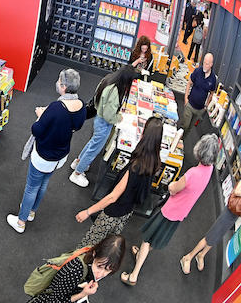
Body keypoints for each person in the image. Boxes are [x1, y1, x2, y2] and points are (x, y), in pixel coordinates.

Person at [121, 134, 220, 286]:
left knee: (148, 238)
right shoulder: (209, 170)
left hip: (170, 210)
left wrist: (171, 185)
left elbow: (173, 189)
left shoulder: (193, 173)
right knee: (156, 239)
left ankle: (134, 275)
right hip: (181, 213)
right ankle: (141, 254)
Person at [7, 69, 86, 233]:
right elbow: (76, 126)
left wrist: (40, 115)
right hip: (61, 154)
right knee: (43, 183)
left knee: (31, 187)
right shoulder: (81, 105)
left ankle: (21, 221)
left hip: (44, 154)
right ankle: (31, 212)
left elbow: (37, 130)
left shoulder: (56, 108)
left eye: (59, 81)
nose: (57, 83)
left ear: (63, 86)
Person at [75, 117, 163, 248]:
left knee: (88, 245)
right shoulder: (155, 160)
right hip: (126, 211)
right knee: (107, 245)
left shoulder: (136, 166)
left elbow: (113, 197)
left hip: (112, 212)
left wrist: (88, 212)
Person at [69, 66, 135, 188]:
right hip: (104, 123)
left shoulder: (109, 79)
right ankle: (77, 173)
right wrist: (119, 118)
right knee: (94, 149)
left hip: (98, 118)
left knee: (92, 144)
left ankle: (78, 162)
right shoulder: (114, 91)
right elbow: (109, 116)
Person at [28, 234, 126, 303]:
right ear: (94, 254)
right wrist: (82, 294)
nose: (100, 274)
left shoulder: (90, 258)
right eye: (99, 266)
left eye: (107, 270)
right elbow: (54, 300)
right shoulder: (75, 270)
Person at [180, 181, 241, 274]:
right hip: (229, 212)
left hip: (235, 215)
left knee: (216, 237)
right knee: (210, 237)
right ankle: (187, 257)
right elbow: (236, 192)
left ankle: (201, 255)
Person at [179, 53, 216, 136]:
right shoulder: (198, 71)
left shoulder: (213, 79)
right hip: (190, 104)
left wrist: (206, 106)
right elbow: (189, 83)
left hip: (200, 109)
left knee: (190, 128)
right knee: (185, 125)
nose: (205, 66)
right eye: (204, 63)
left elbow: (212, 93)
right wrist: (186, 99)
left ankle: (182, 142)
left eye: (207, 64)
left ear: (211, 64)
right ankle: (178, 139)